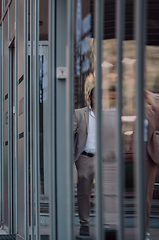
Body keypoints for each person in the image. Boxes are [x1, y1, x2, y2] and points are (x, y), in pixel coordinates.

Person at [73, 87, 95, 236]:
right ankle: (84, 224)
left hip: (103, 159)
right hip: (84, 157)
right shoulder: (79, 114)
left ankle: (107, 223)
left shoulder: (108, 116)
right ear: (90, 97)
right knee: (84, 193)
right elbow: (67, 132)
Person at [145, 90, 159, 240]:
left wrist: (150, 97)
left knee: (147, 194)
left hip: (151, 152)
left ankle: (145, 228)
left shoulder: (153, 108)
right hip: (137, 151)